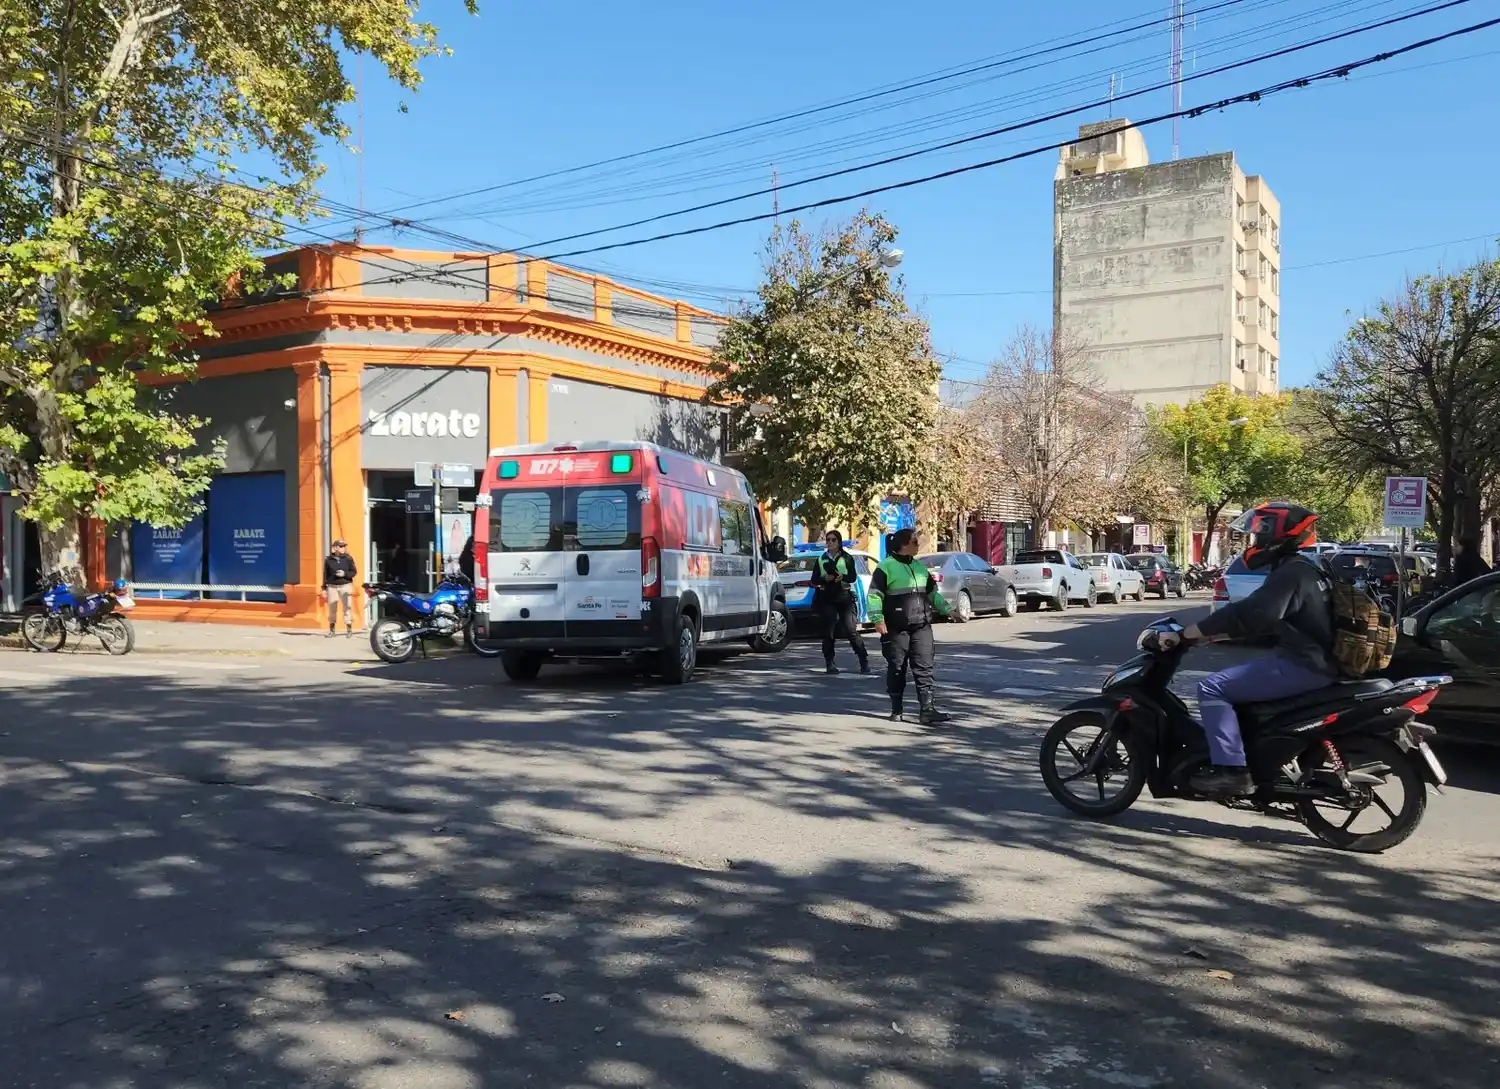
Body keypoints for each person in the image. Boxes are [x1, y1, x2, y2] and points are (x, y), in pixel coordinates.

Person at [1154, 502, 1337, 797]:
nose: (1255, 540)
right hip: (1315, 659)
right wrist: (1213, 636)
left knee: (1212, 688)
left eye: (1259, 533)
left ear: (1277, 535)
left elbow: (1249, 614)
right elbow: (1270, 621)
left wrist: (1187, 633)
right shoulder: (1307, 568)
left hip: (1303, 664)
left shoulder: (1291, 573)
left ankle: (1232, 771)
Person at [868, 527, 951, 725]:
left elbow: (932, 593)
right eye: (915, 542)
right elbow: (874, 595)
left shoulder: (919, 567)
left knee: (925, 667)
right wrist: (877, 619)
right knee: (897, 667)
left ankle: (927, 710)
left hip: (921, 625)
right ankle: (896, 709)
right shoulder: (886, 567)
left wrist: (947, 609)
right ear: (903, 545)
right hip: (896, 627)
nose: (918, 545)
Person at [811, 530, 870, 675]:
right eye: (828, 540)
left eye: (833, 540)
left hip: (844, 596)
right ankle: (830, 663)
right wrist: (825, 578)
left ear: (839, 542)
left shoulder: (847, 558)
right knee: (829, 631)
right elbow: (814, 579)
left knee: (851, 630)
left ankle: (863, 660)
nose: (830, 542)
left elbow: (853, 577)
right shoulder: (821, 559)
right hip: (827, 597)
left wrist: (842, 576)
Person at [322, 539, 358, 637]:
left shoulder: (348, 558)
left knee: (347, 608)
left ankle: (349, 630)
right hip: (332, 587)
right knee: (332, 609)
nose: (343, 548)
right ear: (335, 548)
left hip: (345, 586)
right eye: (341, 546)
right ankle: (332, 630)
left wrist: (344, 574)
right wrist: (324, 588)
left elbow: (354, 572)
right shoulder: (328, 560)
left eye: (344, 546)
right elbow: (325, 575)